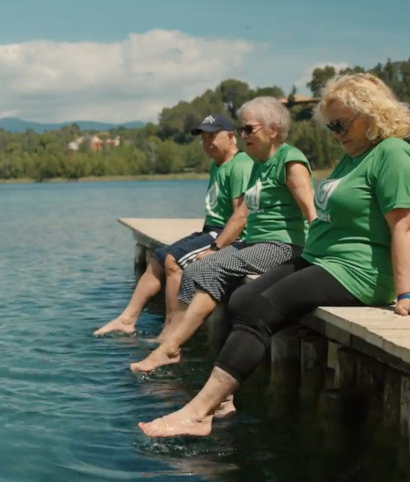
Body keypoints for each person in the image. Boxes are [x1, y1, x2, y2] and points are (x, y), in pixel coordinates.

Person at [138, 73, 410, 438]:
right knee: (243, 299)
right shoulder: (353, 156)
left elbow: (404, 227)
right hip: (322, 259)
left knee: (261, 310)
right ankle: (221, 398)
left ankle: (198, 412)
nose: (335, 133)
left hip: (356, 270)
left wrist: (406, 294)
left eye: (342, 123)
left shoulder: (393, 153)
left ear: (373, 114)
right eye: (331, 126)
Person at [130, 96, 316, 381]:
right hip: (255, 242)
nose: (243, 136)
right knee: (195, 268)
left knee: (212, 267)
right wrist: (216, 247)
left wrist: (319, 258)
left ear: (273, 130)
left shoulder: (290, 161)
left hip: (283, 246)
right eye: (241, 130)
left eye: (248, 129)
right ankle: (178, 343)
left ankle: (171, 347)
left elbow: (311, 212)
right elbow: (242, 212)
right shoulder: (258, 164)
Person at [94, 114, 254, 337]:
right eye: (203, 138)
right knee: (159, 257)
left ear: (230, 136)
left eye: (212, 136)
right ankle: (126, 319)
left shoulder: (241, 166)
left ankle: (170, 330)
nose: (207, 142)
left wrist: (215, 248)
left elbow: (240, 217)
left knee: (173, 262)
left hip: (228, 236)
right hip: (211, 229)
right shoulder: (217, 165)